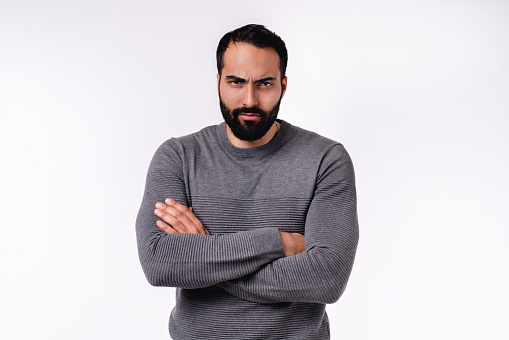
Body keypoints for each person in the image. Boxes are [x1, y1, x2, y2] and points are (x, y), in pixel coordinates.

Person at [136, 24, 359, 340]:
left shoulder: (325, 160)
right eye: (236, 82)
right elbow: (159, 262)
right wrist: (278, 243)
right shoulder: (178, 156)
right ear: (218, 82)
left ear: (283, 85)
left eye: (265, 83)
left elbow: (326, 278)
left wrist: (205, 251)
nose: (249, 100)